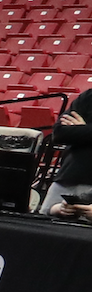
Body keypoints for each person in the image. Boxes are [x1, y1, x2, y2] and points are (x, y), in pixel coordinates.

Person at [47, 86, 92, 221]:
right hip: (69, 177)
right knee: (40, 230)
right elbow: (60, 133)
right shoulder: (88, 96)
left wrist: (82, 131)